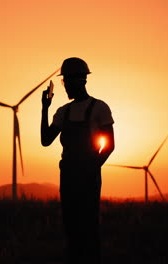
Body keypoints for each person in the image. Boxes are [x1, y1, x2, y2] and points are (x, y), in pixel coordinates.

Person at [41, 57, 115, 263]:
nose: (65, 86)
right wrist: (44, 108)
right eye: (64, 81)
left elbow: (109, 145)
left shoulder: (100, 108)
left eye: (67, 81)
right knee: (71, 227)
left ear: (81, 80)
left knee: (89, 228)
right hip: (68, 177)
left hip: (88, 178)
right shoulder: (63, 112)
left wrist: (91, 168)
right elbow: (46, 140)